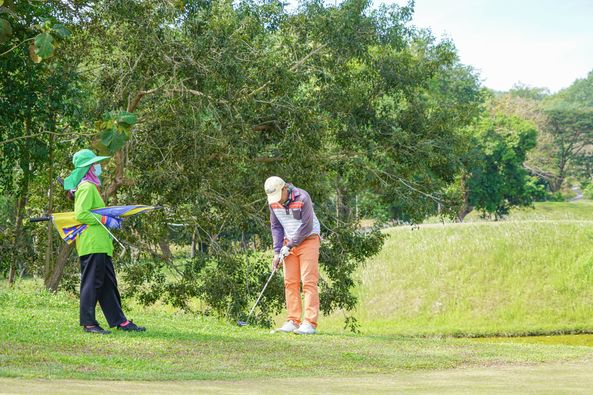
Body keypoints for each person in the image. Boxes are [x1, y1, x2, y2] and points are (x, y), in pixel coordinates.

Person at [63, 149, 145, 334]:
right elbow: (82, 214)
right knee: (92, 283)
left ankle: (120, 321)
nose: (98, 167)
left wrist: (109, 217)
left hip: (101, 244)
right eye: (95, 164)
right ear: (88, 167)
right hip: (92, 244)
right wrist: (106, 220)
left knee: (108, 283)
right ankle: (89, 323)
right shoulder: (86, 187)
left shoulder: (89, 187)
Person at [265, 176, 321, 335]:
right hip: (288, 243)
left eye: (278, 196)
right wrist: (277, 251)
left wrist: (289, 245)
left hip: (309, 238)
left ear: (284, 189)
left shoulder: (303, 197)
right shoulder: (273, 202)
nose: (278, 201)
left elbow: (306, 226)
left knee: (308, 281)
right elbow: (276, 227)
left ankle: (309, 323)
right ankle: (293, 321)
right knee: (290, 282)